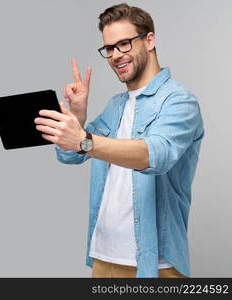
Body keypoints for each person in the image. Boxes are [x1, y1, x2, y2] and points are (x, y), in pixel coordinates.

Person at [34, 3, 204, 278]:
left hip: (153, 265)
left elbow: (154, 155)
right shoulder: (116, 105)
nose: (115, 55)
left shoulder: (179, 101)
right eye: (109, 49)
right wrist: (77, 115)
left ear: (149, 40)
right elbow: (71, 154)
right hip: (103, 257)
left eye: (124, 44)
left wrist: (84, 140)